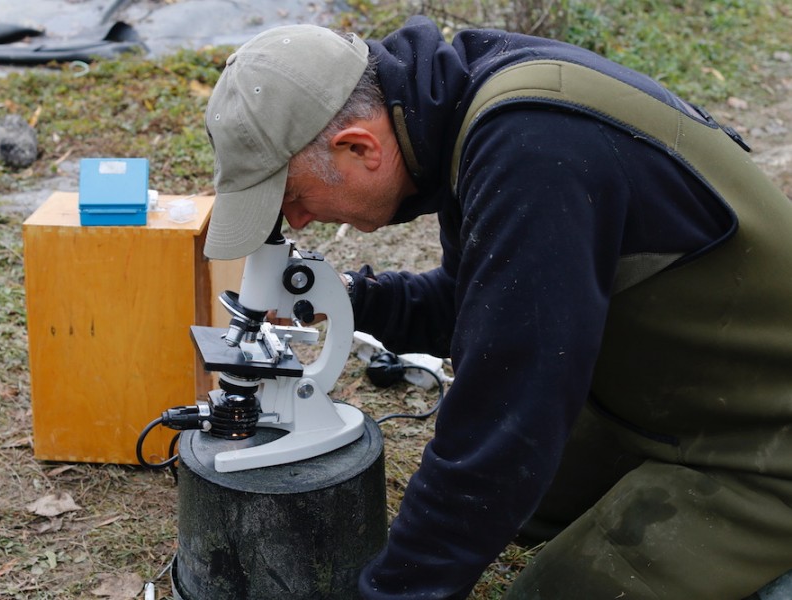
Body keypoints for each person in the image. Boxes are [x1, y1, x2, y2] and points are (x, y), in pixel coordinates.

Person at [201, 16, 792, 600]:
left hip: (759, 435)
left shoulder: (530, 152)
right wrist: (351, 300)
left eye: (296, 198)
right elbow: (486, 304)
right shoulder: (474, 107)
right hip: (663, 391)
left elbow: (503, 422)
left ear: (358, 147)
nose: (298, 221)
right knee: (523, 511)